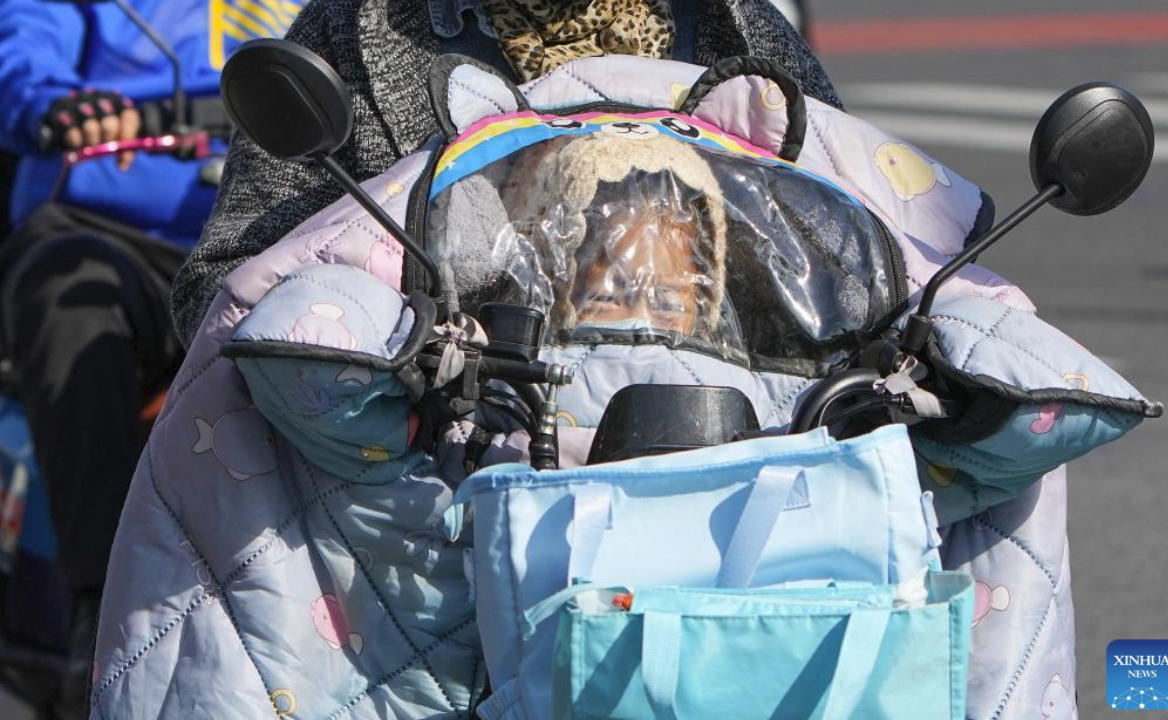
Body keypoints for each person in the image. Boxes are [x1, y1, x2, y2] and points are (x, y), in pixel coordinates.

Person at [170, 0, 845, 348]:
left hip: (727, 445)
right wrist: (385, 341)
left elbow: (853, 249)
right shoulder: (352, 27)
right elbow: (224, 288)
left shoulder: (737, 29)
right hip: (441, 489)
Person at [0, 0, 306, 714]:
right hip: (118, 239)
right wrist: (58, 104)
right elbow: (21, 45)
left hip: (283, 244)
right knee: (70, 282)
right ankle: (101, 613)